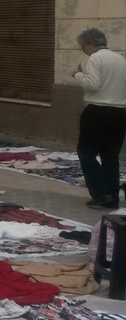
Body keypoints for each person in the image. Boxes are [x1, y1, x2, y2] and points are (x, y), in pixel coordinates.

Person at [72, 28, 126, 209]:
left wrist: (77, 74)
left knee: (86, 152)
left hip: (97, 111)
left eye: (82, 47)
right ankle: (112, 196)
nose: (83, 51)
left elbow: (92, 84)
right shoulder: (120, 59)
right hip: (119, 112)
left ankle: (101, 194)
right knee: (110, 155)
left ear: (90, 43)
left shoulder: (96, 58)